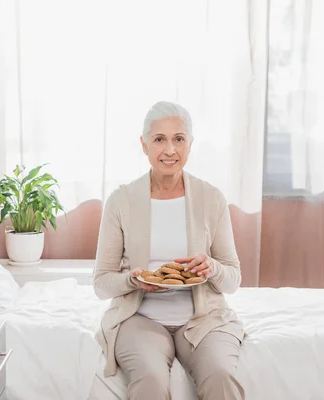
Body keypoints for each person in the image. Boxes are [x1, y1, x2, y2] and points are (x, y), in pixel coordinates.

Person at [93, 101, 245, 400]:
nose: (170, 150)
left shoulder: (212, 198)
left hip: (203, 319)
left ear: (190, 144)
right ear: (144, 145)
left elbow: (233, 280)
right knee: (149, 380)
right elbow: (101, 283)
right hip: (140, 320)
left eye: (179, 139)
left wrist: (211, 267)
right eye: (159, 139)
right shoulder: (121, 201)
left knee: (220, 375)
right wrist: (132, 280)